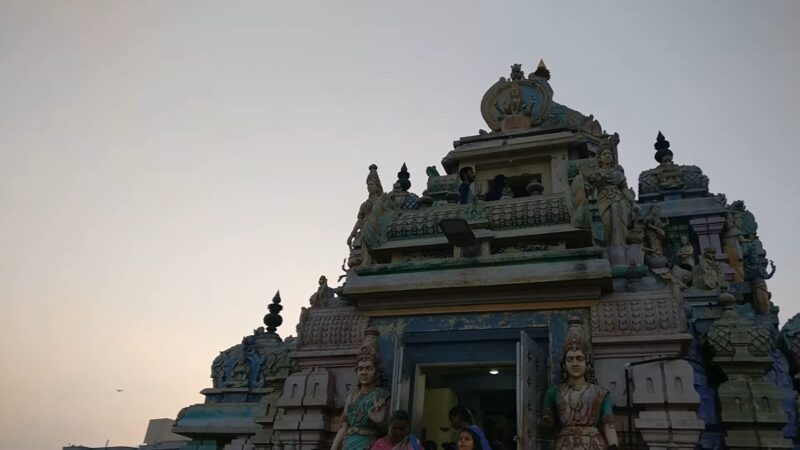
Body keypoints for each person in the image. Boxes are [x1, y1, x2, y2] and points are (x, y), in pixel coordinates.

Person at [541, 318, 618, 449]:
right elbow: (546, 423)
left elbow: (608, 424)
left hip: (593, 444)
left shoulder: (600, 393)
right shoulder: (553, 392)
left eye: (579, 359)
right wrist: (545, 420)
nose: (575, 364)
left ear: (587, 364)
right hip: (565, 444)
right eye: (570, 359)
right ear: (564, 364)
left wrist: (614, 446)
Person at [332, 332, 391, 450]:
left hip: (368, 444)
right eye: (360, 369)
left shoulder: (381, 395)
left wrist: (379, 422)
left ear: (376, 372)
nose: (363, 372)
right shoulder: (352, 396)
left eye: (369, 368)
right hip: (348, 444)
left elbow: (387, 430)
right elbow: (344, 427)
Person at [581, 134, 631, 247]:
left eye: (609, 154)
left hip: (619, 198)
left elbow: (624, 189)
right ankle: (608, 246)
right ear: (599, 157)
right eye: (604, 154)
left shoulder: (618, 173)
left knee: (621, 221)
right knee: (606, 224)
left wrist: (632, 202)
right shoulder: (597, 173)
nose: (607, 156)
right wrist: (588, 187)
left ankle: (620, 244)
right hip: (603, 199)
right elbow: (591, 189)